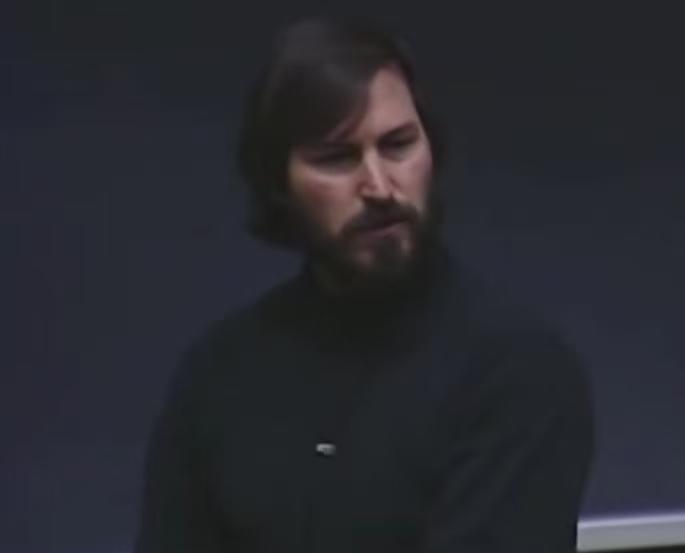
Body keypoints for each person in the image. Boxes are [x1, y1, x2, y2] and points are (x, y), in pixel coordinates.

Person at [134, 16, 595, 553]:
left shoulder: (515, 370)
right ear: (279, 184)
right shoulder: (219, 375)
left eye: (398, 145)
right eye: (336, 158)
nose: (379, 187)